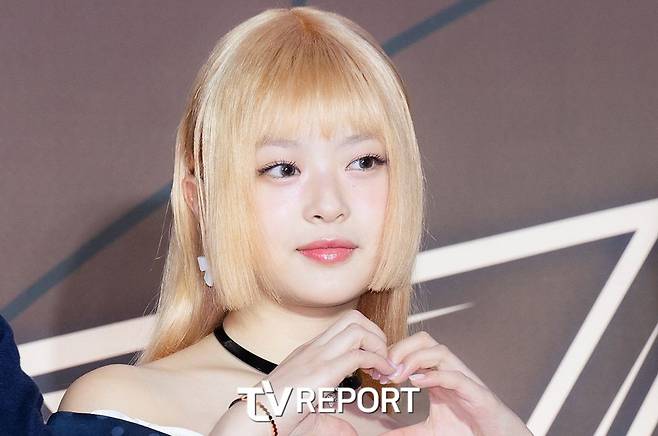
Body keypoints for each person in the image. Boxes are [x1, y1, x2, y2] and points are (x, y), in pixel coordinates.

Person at [50, 5, 533, 436]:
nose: (329, 204)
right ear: (201, 200)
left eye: (364, 162)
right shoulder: (122, 406)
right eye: (283, 169)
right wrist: (256, 421)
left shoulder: (434, 416)